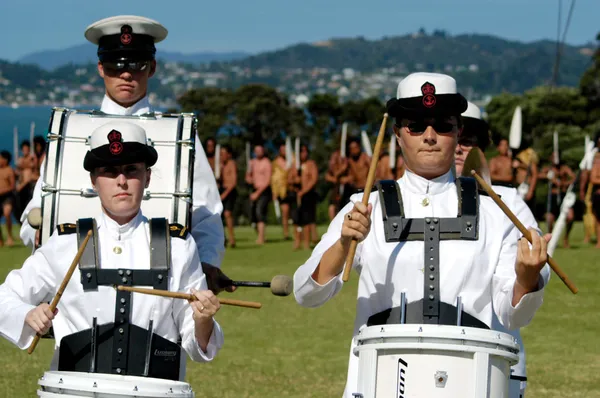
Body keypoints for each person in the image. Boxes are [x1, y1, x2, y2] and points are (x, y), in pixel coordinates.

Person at [293, 73, 549, 398]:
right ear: (399, 134)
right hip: (379, 383)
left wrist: (526, 278)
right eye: (415, 125)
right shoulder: (363, 206)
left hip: (471, 383)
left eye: (442, 124)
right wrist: (343, 245)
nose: (429, 136)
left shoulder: (500, 209)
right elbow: (306, 294)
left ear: (458, 131)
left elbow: (514, 315)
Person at [18, 15, 231, 294]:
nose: (126, 74)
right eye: (115, 65)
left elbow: (207, 215)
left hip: (161, 290)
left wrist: (207, 263)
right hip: (82, 293)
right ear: (100, 68)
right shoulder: (70, 131)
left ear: (152, 67)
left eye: (136, 64)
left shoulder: (180, 135)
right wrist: (37, 235)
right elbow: (34, 215)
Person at [0, 121, 223, 380]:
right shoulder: (65, 243)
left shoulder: (179, 246)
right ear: (94, 181)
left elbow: (197, 342)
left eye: (131, 170)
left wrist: (203, 320)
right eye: (109, 171)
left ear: (147, 177)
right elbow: (5, 296)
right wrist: (27, 314)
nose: (121, 181)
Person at [456, 101, 551, 398]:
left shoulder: (508, 200)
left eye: (469, 141)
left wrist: (529, 274)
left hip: (496, 356)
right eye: (454, 138)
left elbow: (532, 277)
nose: (460, 148)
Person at [540, 154, 575, 247]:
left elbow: (574, 177)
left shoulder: (564, 168)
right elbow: (539, 174)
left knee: (570, 217)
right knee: (549, 219)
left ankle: (566, 238)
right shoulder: (549, 169)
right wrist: (549, 177)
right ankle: (551, 238)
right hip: (553, 196)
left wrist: (565, 183)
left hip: (563, 195)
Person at [290, 144, 319, 250]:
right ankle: (297, 242)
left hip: (308, 195)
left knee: (307, 220)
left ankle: (307, 243)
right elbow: (289, 180)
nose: (304, 154)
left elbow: (314, 179)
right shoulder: (294, 165)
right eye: (302, 151)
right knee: (296, 220)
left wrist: (304, 191)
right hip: (296, 195)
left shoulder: (311, 164)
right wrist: (294, 180)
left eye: (306, 151)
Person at [245, 142, 272, 245]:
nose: (258, 152)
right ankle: (260, 235)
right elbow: (248, 177)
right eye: (256, 151)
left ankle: (261, 238)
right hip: (254, 189)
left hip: (264, 190)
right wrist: (248, 178)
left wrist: (258, 193)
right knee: (253, 215)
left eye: (260, 150)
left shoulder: (267, 163)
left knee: (260, 212)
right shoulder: (252, 162)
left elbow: (267, 181)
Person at [271, 142, 294, 240]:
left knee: (294, 212)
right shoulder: (276, 162)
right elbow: (274, 178)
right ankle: (286, 233)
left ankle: (298, 233)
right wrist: (274, 192)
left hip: (293, 188)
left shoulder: (293, 160)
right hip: (282, 191)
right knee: (285, 211)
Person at [339, 137, 370, 207]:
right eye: (351, 148)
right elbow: (339, 177)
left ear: (359, 147)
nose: (354, 150)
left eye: (355, 147)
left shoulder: (365, 157)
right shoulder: (348, 161)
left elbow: (374, 172)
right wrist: (344, 172)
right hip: (355, 191)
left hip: (367, 190)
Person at [219, 145, 238, 248]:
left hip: (229, 191)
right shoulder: (221, 165)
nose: (221, 156)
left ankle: (232, 239)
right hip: (222, 190)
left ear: (229, 154)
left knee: (227, 214)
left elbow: (233, 182)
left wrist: (224, 195)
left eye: (223, 154)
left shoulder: (231, 164)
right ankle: (223, 238)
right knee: (219, 215)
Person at [15, 140, 37, 220]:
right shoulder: (21, 159)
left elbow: (33, 166)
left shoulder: (32, 158)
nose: (25, 151)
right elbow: (17, 169)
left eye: (27, 149)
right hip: (21, 186)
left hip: (29, 185)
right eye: (24, 150)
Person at [325, 148, 348, 221]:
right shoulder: (332, 169)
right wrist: (340, 171)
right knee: (332, 207)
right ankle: (333, 224)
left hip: (345, 191)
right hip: (335, 190)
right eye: (332, 160)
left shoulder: (347, 162)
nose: (333, 162)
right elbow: (328, 176)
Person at [0, 151, 16, 247]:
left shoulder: (9, 170)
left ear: (5, 160)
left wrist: (2, 191)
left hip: (7, 197)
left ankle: (10, 237)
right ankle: (1, 239)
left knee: (7, 213)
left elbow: (12, 186)